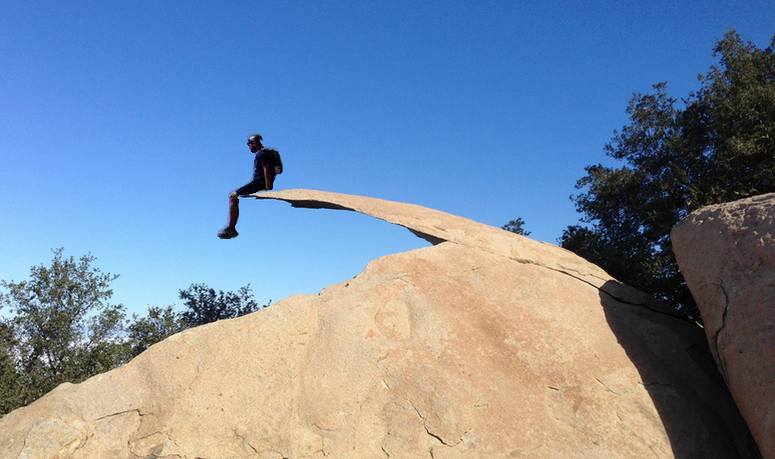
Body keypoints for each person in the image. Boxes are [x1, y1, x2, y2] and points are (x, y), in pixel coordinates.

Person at [217, 133, 277, 239]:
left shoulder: (261, 154)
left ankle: (231, 228)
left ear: (254, 143)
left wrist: (268, 188)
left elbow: (266, 169)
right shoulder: (267, 153)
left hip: (258, 183)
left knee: (232, 196)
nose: (249, 146)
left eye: (249, 144)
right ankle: (231, 228)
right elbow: (276, 170)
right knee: (233, 195)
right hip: (259, 182)